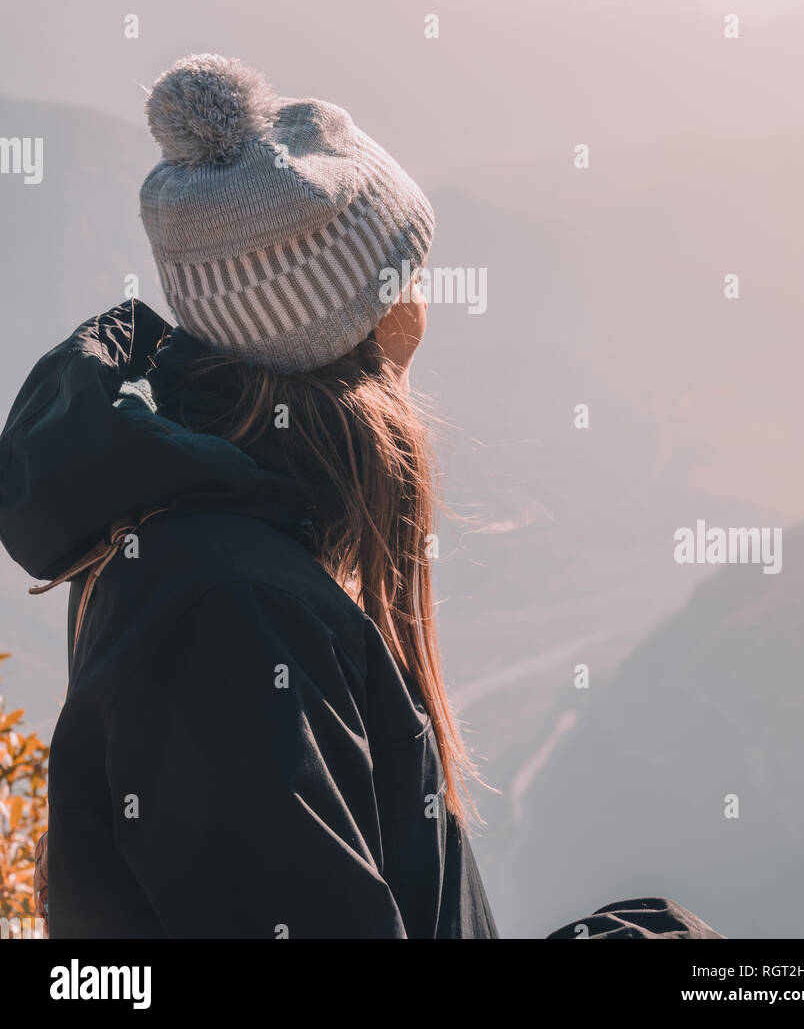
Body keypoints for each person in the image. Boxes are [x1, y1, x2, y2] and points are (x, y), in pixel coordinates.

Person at [0, 54, 723, 941]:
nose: (425, 294)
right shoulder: (228, 610)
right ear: (359, 321)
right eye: (408, 266)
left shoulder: (219, 555)